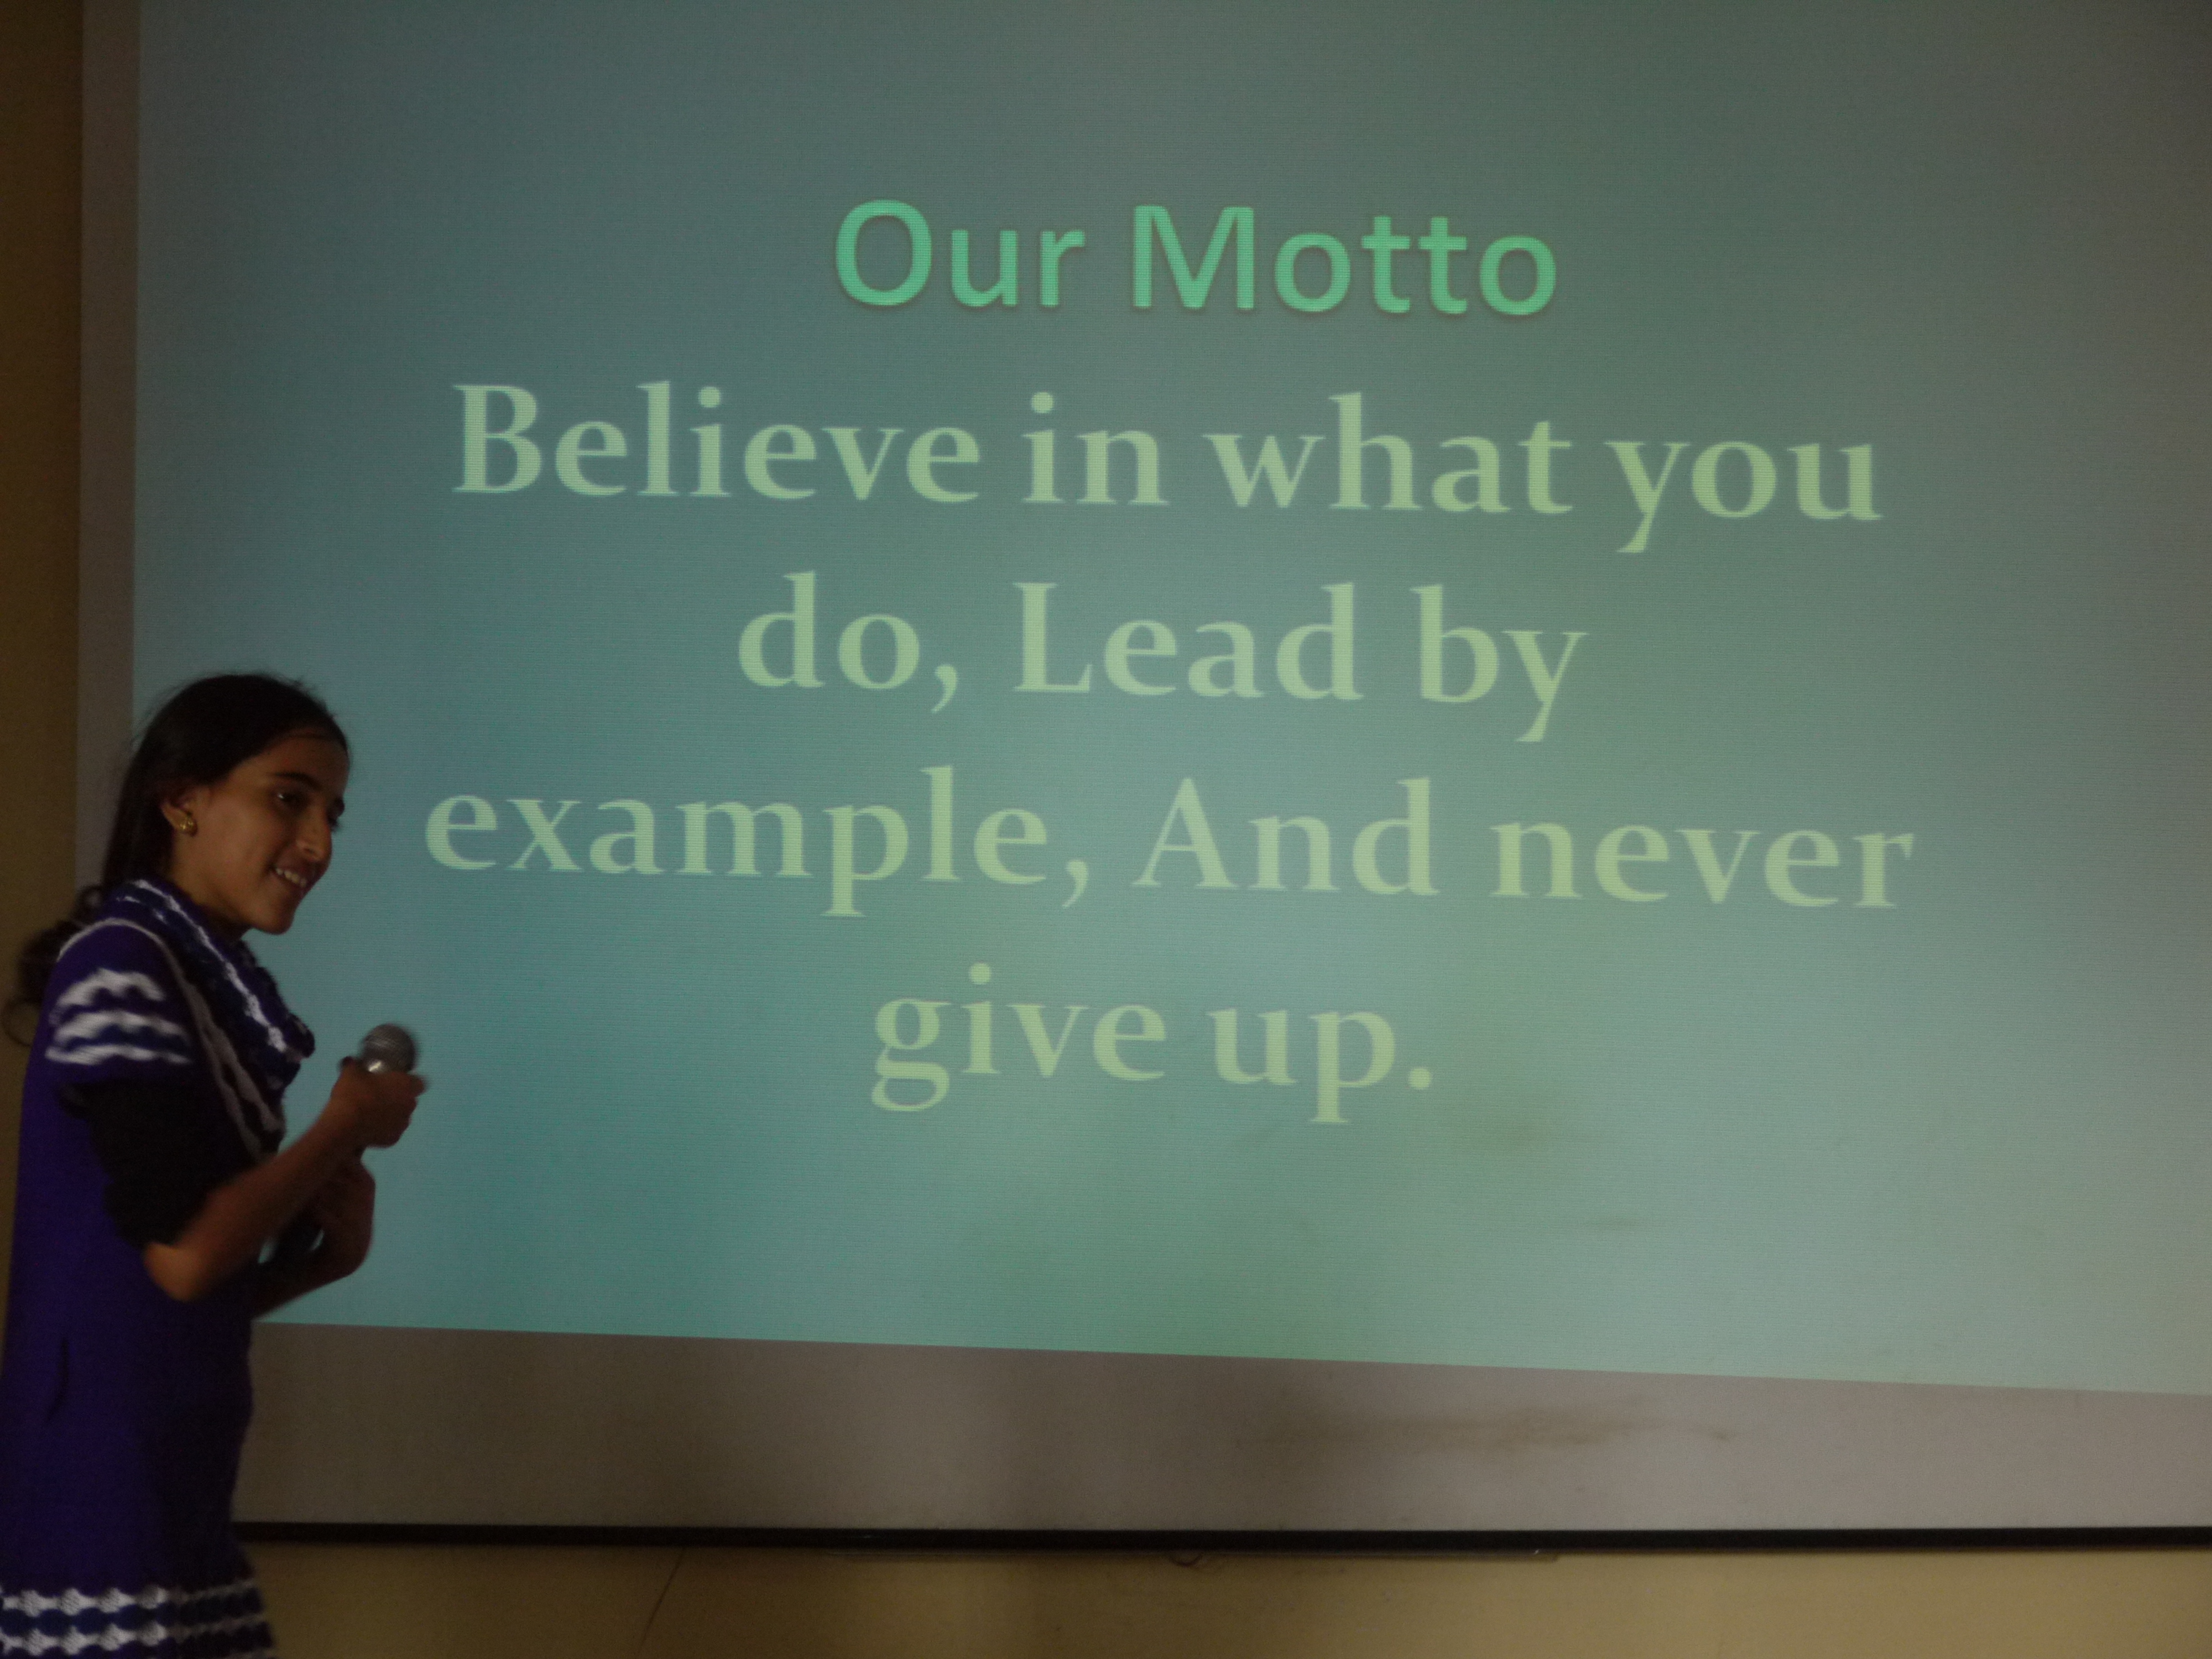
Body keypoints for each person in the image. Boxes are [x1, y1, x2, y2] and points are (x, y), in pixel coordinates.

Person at [0, 674, 422, 1659]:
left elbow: (160, 1301)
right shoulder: (121, 965)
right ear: (181, 799)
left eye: (331, 815)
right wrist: (341, 1128)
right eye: (288, 799)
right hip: (100, 1483)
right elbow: (188, 1256)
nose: (317, 845)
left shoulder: (182, 977)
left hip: (169, 1467)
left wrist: (319, 1263)